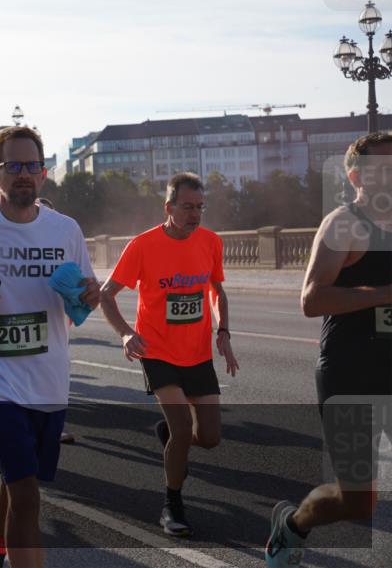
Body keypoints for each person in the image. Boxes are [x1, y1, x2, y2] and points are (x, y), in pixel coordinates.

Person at [0, 126, 99, 568]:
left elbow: (85, 289)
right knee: (26, 493)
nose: (24, 174)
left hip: (48, 377)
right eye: (14, 166)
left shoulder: (65, 230)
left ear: (43, 173)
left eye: (32, 165)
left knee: (15, 483)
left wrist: (91, 294)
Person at [265, 132, 392, 567]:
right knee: (357, 500)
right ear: (356, 177)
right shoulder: (344, 224)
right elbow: (312, 299)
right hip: (350, 372)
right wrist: (384, 293)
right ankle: (293, 523)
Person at [99, 172, 238, 538]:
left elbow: (217, 291)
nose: (195, 214)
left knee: (210, 437)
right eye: (187, 207)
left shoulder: (210, 242)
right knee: (181, 428)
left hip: (197, 352)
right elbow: (106, 294)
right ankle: (172, 504)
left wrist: (223, 330)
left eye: (200, 207)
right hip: (157, 350)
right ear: (169, 207)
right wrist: (126, 333)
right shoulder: (143, 245)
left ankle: (171, 438)